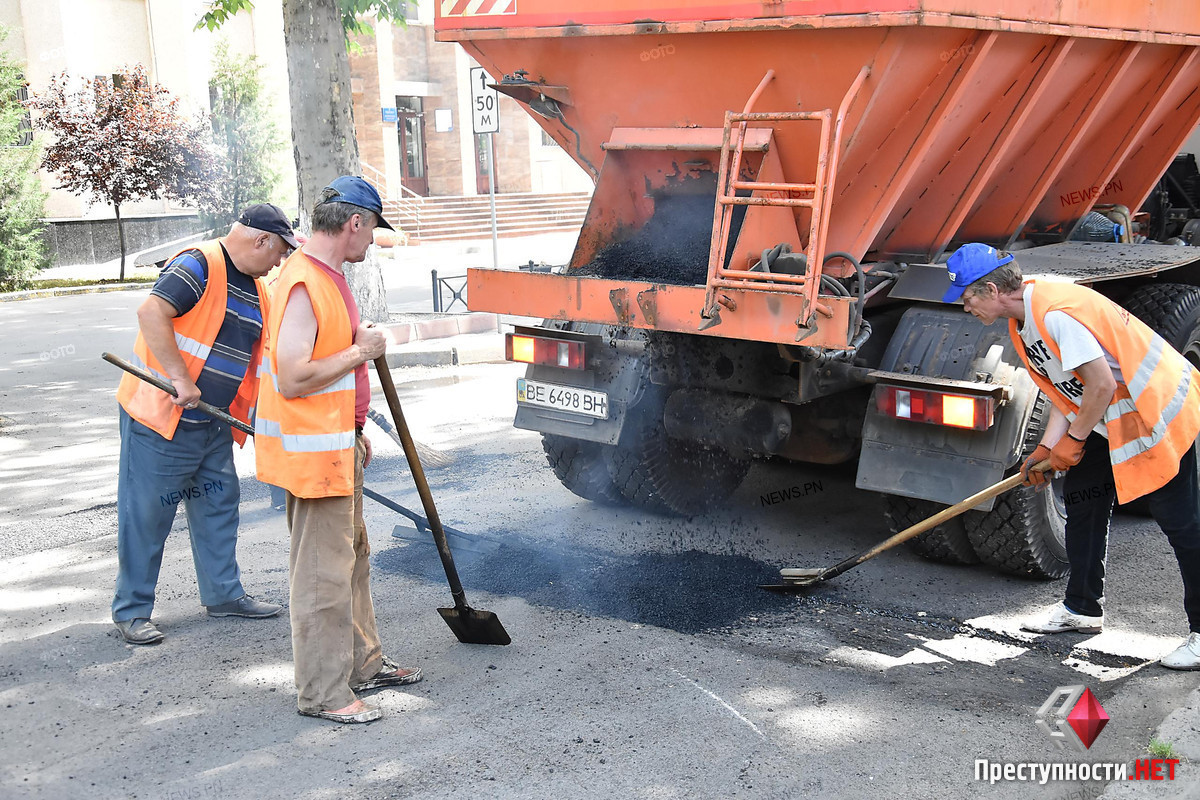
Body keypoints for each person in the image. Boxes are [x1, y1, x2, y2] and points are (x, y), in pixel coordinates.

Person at [943, 242, 1200, 670]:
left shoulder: (1056, 315)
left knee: (1182, 524)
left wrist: (1073, 442)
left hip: (1158, 410)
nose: (964, 307)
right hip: (1110, 413)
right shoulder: (1023, 321)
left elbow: (1099, 385)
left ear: (990, 289)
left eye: (966, 297)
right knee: (1083, 499)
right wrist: (1048, 446)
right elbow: (1066, 392)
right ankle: (1082, 608)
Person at [255, 176, 422, 724]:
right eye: (372, 229)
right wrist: (361, 351)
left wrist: (353, 428)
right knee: (323, 576)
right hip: (313, 460)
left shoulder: (328, 276)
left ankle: (362, 664)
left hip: (335, 446)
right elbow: (293, 376)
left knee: (351, 564)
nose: (372, 241)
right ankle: (324, 693)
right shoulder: (303, 280)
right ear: (355, 222)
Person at [113, 205, 299, 644]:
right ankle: (132, 610)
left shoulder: (258, 288)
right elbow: (150, 313)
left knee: (217, 504)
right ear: (261, 241)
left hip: (215, 421)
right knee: (148, 513)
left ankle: (223, 595)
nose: (279, 262)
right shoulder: (197, 264)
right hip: (163, 417)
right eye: (279, 252)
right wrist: (180, 379)